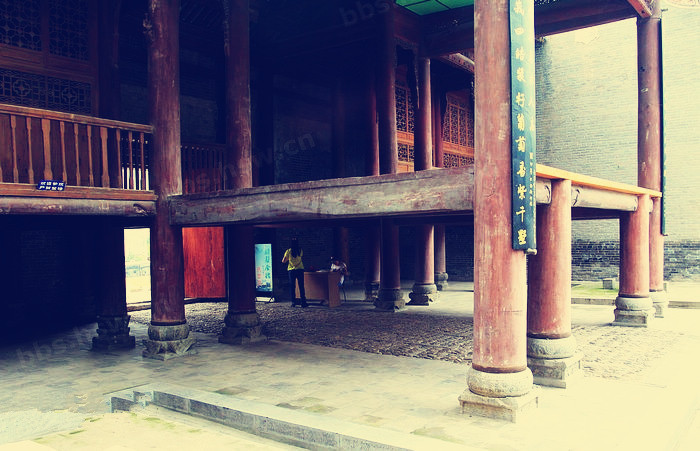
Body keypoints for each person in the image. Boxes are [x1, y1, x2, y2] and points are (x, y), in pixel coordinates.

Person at [282, 238, 307, 307]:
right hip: (300, 269)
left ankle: (293, 302)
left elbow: (283, 261)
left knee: (292, 287)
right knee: (301, 286)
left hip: (291, 270)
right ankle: (303, 302)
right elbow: (300, 257)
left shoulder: (288, 251)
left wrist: (288, 259)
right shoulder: (300, 250)